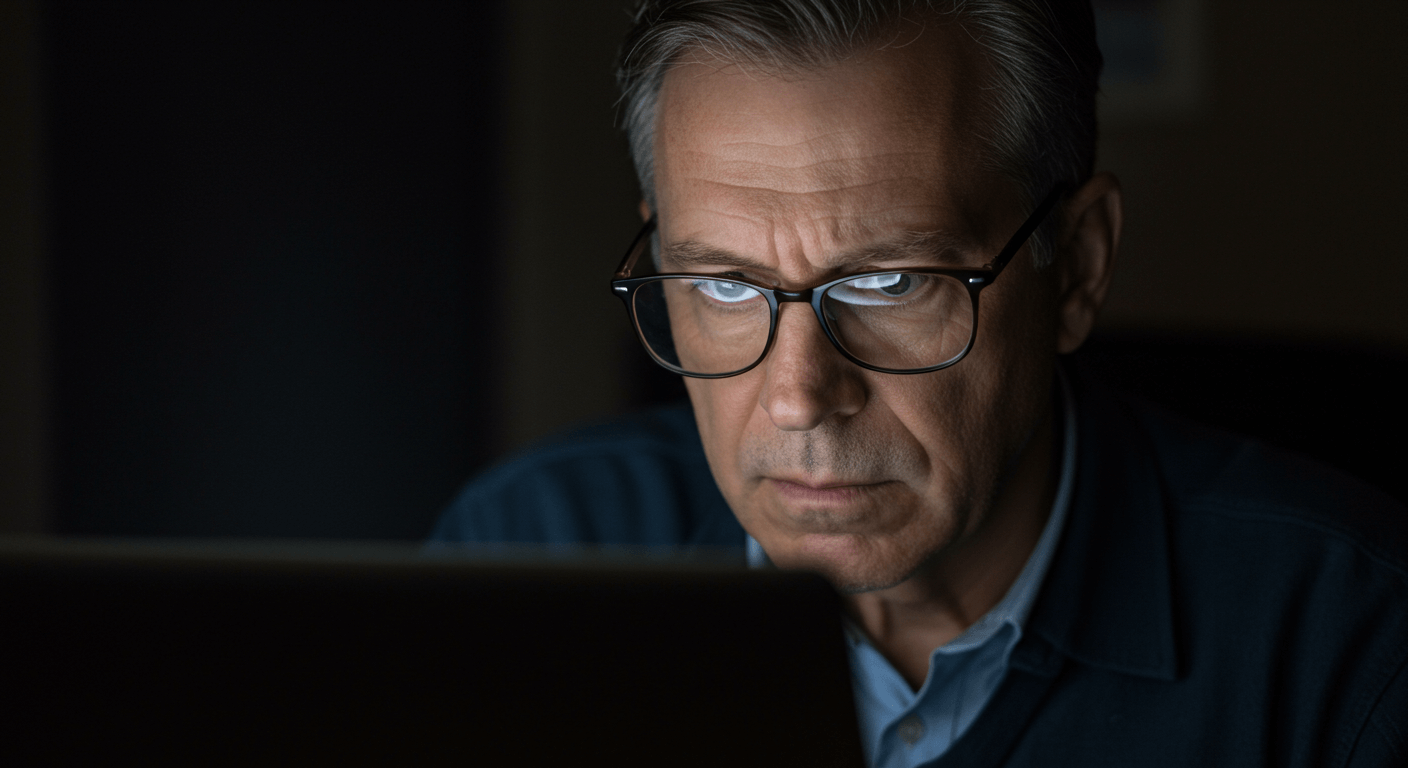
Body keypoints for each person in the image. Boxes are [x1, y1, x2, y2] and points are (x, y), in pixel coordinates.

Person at [431, 1, 1408, 765]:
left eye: (890, 280)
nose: (798, 397)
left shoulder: (1351, 651)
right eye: (723, 282)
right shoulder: (524, 553)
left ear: (1073, 266)